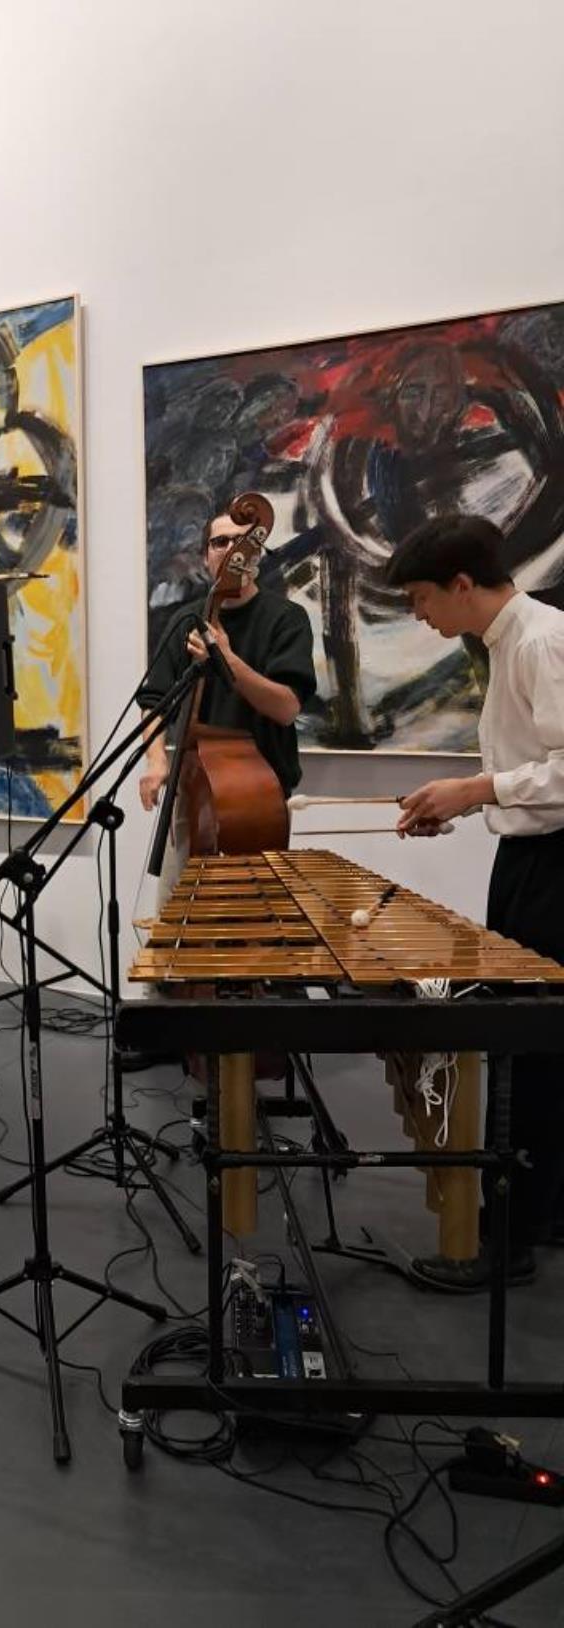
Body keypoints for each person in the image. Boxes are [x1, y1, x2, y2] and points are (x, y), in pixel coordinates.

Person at [388, 512, 564, 1290]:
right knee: (535, 1050)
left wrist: (475, 790)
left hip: (553, 867)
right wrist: (463, 802)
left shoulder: (539, 641)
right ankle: (542, 1213)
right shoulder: (507, 642)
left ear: (462, 585)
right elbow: (532, 771)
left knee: (527, 1052)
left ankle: (510, 1241)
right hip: (530, 857)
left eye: (422, 598)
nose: (418, 614)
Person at [137, 502, 318, 890]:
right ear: (206, 556)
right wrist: (156, 760)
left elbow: (286, 708)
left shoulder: (286, 619)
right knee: (177, 908)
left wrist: (227, 659)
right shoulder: (186, 620)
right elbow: (155, 701)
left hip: (258, 797)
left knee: (249, 912)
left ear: (255, 552)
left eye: (241, 541)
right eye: (220, 542)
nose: (231, 549)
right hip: (191, 792)